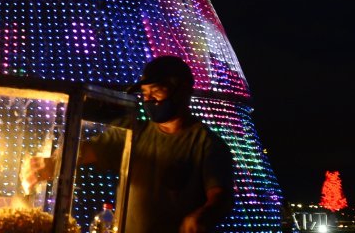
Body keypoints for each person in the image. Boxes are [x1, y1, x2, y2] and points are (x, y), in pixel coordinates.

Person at [24, 55, 234, 233]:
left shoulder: (207, 145)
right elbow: (89, 150)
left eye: (156, 92)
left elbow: (220, 198)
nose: (148, 99)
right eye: (144, 94)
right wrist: (56, 161)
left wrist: (201, 216)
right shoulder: (133, 132)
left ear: (181, 92)